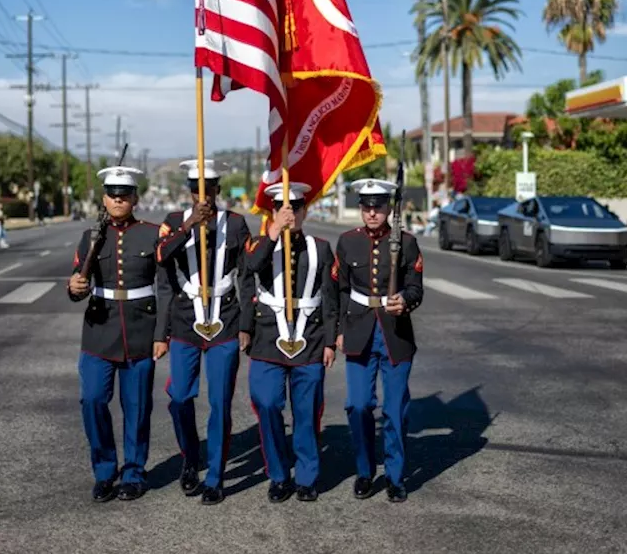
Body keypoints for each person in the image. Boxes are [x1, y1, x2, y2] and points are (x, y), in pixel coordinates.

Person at [154, 159, 252, 505]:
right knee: (180, 396)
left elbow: (247, 276)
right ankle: (190, 456)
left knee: (220, 401)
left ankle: (215, 476)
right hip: (184, 320)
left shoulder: (236, 224)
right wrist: (189, 225)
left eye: (208, 189)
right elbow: (161, 258)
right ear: (189, 191)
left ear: (218, 191)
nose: (202, 195)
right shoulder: (172, 222)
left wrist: (247, 324)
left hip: (225, 318)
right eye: (196, 189)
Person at [67, 166, 162, 503]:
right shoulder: (91, 237)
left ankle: (134, 473)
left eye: (124, 195)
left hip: (140, 330)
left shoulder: (152, 234)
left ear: (134, 198)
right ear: (104, 199)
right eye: (112, 195)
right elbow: (79, 282)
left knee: (137, 408)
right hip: (98, 331)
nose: (118, 200)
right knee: (92, 399)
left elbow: (164, 288)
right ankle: (105, 471)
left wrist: (161, 334)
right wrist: (75, 287)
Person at [242, 181, 337, 503]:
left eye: (295, 208)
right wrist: (273, 232)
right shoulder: (259, 243)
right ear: (272, 211)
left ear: (304, 211)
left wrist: (330, 341)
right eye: (282, 208)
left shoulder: (320, 247)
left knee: (307, 411)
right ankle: (279, 475)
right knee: (267, 403)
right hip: (268, 338)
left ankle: (307, 477)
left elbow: (330, 297)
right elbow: (251, 267)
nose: (289, 214)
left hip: (310, 338)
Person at [335, 178, 425, 503]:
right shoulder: (347, 242)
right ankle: (364, 471)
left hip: (394, 336)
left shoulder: (407, 242)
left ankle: (395, 476)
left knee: (395, 409)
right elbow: (340, 290)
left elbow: (416, 287)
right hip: (359, 332)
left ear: (388, 209)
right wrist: (339, 331)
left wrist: (405, 300)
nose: (372, 213)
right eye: (366, 207)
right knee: (358, 406)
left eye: (378, 207)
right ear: (360, 208)